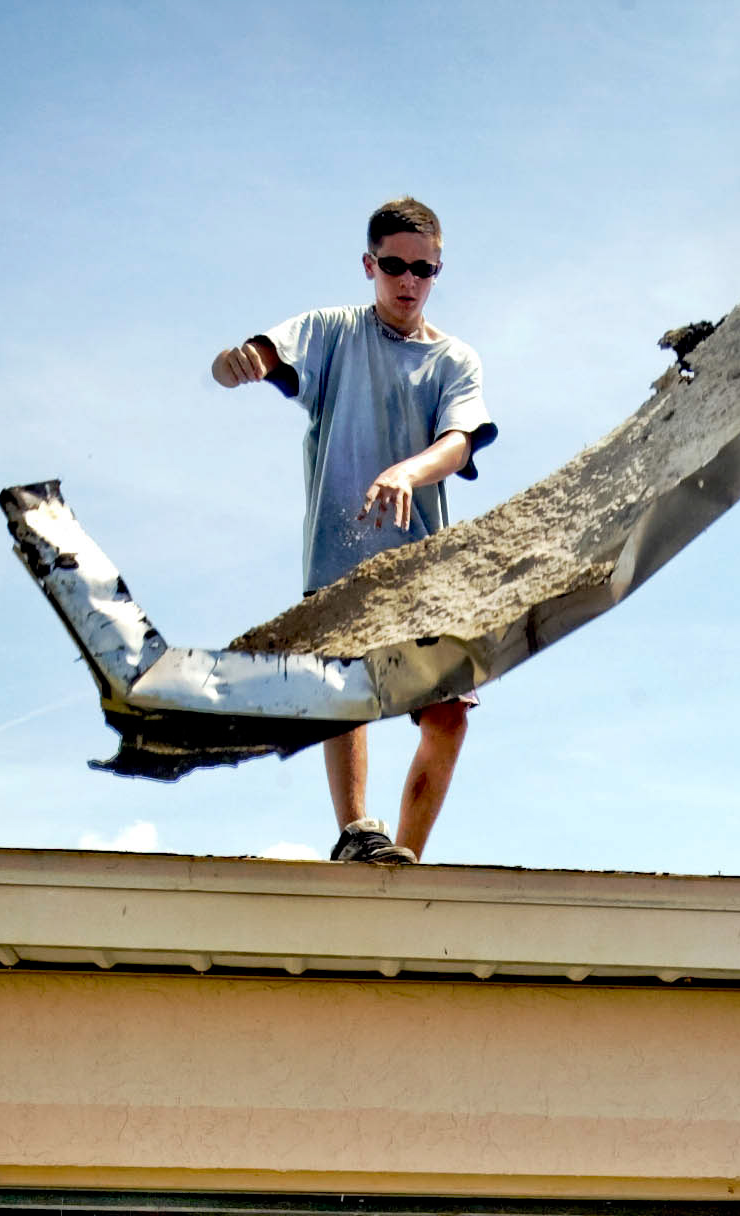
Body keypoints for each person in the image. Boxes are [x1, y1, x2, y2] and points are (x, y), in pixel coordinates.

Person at [212, 197, 497, 865]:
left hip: (420, 569)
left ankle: (404, 860)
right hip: (340, 562)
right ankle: (357, 835)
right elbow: (275, 349)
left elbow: (458, 442)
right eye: (393, 266)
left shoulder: (454, 360)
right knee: (344, 693)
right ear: (370, 265)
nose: (407, 282)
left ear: (437, 271)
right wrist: (246, 361)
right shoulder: (338, 332)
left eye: (422, 270)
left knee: (448, 717)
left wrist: (408, 471)